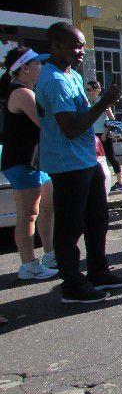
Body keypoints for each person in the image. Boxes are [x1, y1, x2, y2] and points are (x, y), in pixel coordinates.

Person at [35, 22, 122, 303]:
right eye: (75, 45)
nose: (81, 51)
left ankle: (98, 272)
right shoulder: (53, 80)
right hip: (67, 165)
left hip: (87, 160)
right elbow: (71, 127)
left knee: (96, 220)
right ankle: (72, 285)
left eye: (82, 44)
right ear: (56, 47)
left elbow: (83, 118)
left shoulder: (72, 75)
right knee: (70, 226)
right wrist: (103, 103)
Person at [1, 47, 57, 280]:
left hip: (36, 161)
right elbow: (46, 124)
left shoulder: (27, 90)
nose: (41, 68)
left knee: (46, 208)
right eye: (37, 64)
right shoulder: (22, 93)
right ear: (24, 67)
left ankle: (50, 254)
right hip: (22, 161)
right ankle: (28, 265)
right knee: (28, 214)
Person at [87, 80, 122, 192]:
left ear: (96, 90)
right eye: (86, 90)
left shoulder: (102, 102)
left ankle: (120, 182)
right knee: (96, 159)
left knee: (111, 157)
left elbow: (112, 119)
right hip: (95, 135)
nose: (87, 92)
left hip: (103, 135)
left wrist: (105, 133)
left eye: (89, 89)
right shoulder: (91, 103)